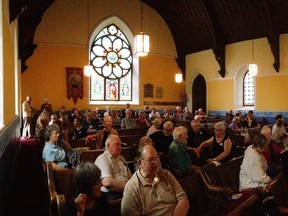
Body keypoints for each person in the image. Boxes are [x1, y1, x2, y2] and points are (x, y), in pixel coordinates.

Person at [121, 144, 189, 216]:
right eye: (151, 159)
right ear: (140, 163)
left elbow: (183, 198)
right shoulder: (132, 188)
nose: (156, 162)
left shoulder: (166, 175)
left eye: (157, 158)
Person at [95, 134, 132, 200]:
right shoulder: (103, 158)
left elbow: (130, 177)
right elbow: (107, 182)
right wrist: (128, 188)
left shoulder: (121, 158)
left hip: (125, 192)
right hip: (111, 194)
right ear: (108, 145)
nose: (120, 147)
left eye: (120, 144)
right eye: (117, 144)